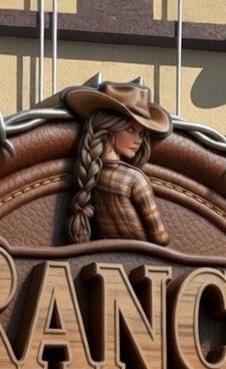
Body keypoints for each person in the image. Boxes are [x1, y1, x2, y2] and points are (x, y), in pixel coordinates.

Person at [64, 81, 173, 247]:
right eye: (130, 130)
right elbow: (160, 237)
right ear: (110, 128)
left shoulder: (92, 176)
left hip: (107, 258)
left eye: (142, 133)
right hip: (143, 263)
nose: (138, 140)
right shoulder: (135, 179)